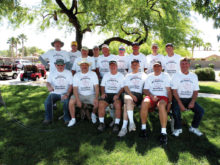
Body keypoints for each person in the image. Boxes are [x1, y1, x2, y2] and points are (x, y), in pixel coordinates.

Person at [140, 61, 172, 145]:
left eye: (158, 66)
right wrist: (151, 96)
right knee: (144, 102)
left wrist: (170, 103)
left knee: (161, 105)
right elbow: (145, 90)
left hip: (162, 97)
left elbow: (169, 91)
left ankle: (164, 133)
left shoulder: (165, 76)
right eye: (155, 66)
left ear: (161, 67)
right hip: (152, 96)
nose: (157, 68)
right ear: (153, 68)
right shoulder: (149, 76)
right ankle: (143, 129)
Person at [171, 58, 204, 136]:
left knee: (200, 111)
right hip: (178, 98)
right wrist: (180, 104)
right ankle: (178, 128)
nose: (184, 65)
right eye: (182, 63)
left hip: (189, 99)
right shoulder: (176, 75)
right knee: (175, 110)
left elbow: (196, 91)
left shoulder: (193, 76)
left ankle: (193, 127)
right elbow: (174, 91)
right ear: (180, 65)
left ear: (189, 65)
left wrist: (192, 101)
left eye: (186, 63)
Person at [118, 59, 147, 137]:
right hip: (129, 94)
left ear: (139, 66)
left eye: (136, 64)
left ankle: (125, 127)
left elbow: (147, 85)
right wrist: (131, 95)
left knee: (125, 106)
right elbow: (125, 87)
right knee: (128, 100)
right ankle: (130, 123)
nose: (134, 66)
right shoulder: (128, 75)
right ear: (131, 66)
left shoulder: (143, 75)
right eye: (133, 64)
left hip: (138, 95)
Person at [68, 58, 99, 127]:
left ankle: (93, 114)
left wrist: (96, 98)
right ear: (80, 66)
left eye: (86, 65)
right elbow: (75, 89)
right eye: (82, 65)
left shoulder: (93, 74)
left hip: (91, 94)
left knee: (97, 103)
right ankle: (73, 119)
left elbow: (96, 87)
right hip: (80, 94)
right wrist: (78, 100)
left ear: (88, 66)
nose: (84, 66)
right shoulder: (76, 75)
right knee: (71, 102)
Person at [97, 60, 124, 132]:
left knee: (118, 104)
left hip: (116, 94)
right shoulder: (106, 75)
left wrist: (118, 95)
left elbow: (122, 87)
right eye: (111, 65)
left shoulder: (121, 76)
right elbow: (102, 86)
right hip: (107, 94)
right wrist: (102, 93)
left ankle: (116, 124)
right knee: (101, 104)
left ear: (117, 66)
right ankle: (101, 123)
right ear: (109, 67)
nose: (112, 67)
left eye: (114, 65)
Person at [43, 59, 72, 124]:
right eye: (58, 65)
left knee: (66, 102)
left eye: (61, 65)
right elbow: (48, 82)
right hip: (54, 93)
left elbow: (71, 85)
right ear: (55, 65)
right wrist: (49, 87)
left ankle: (66, 118)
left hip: (65, 93)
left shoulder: (68, 73)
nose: (60, 66)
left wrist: (67, 94)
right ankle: (48, 118)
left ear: (64, 65)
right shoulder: (52, 73)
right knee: (47, 102)